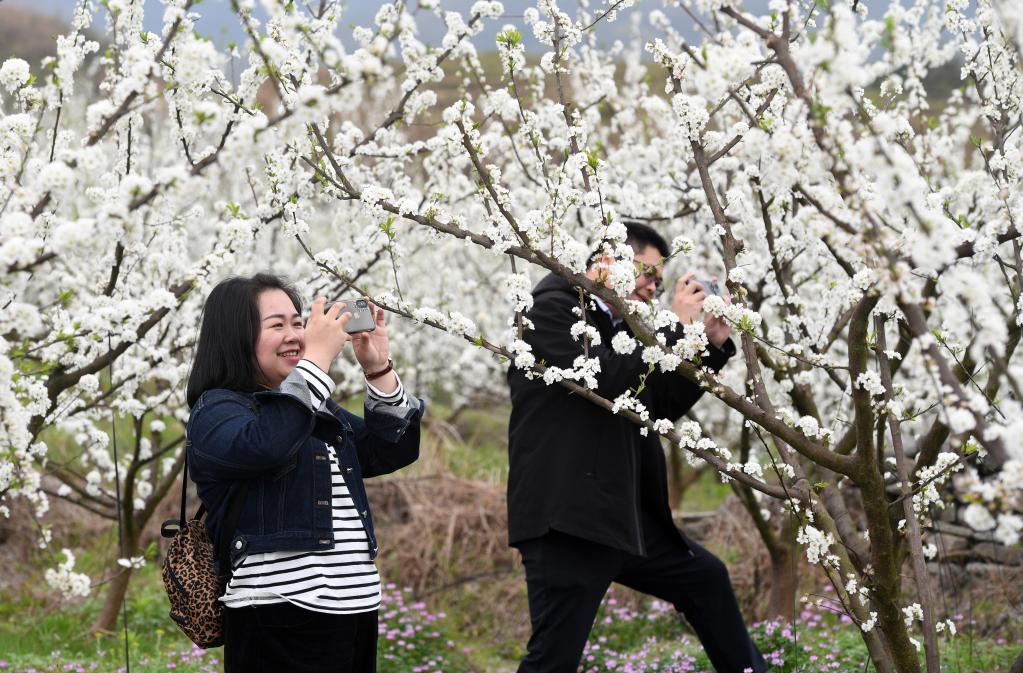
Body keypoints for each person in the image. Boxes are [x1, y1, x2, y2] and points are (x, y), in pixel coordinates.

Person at [506, 223, 767, 673]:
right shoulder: (548, 309)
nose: (651, 287)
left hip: (620, 516)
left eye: (659, 282)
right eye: (645, 273)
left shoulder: (619, 327)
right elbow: (603, 381)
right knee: (554, 659)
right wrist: (676, 326)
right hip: (568, 518)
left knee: (705, 579)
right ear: (605, 261)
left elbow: (656, 404)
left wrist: (708, 344)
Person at [185, 274, 424, 673]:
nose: (297, 335)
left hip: (355, 605)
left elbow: (390, 449)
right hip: (280, 611)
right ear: (235, 337)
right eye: (277, 325)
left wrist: (378, 369)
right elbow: (266, 445)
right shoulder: (216, 411)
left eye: (299, 323)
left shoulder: (314, 407)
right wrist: (315, 363)